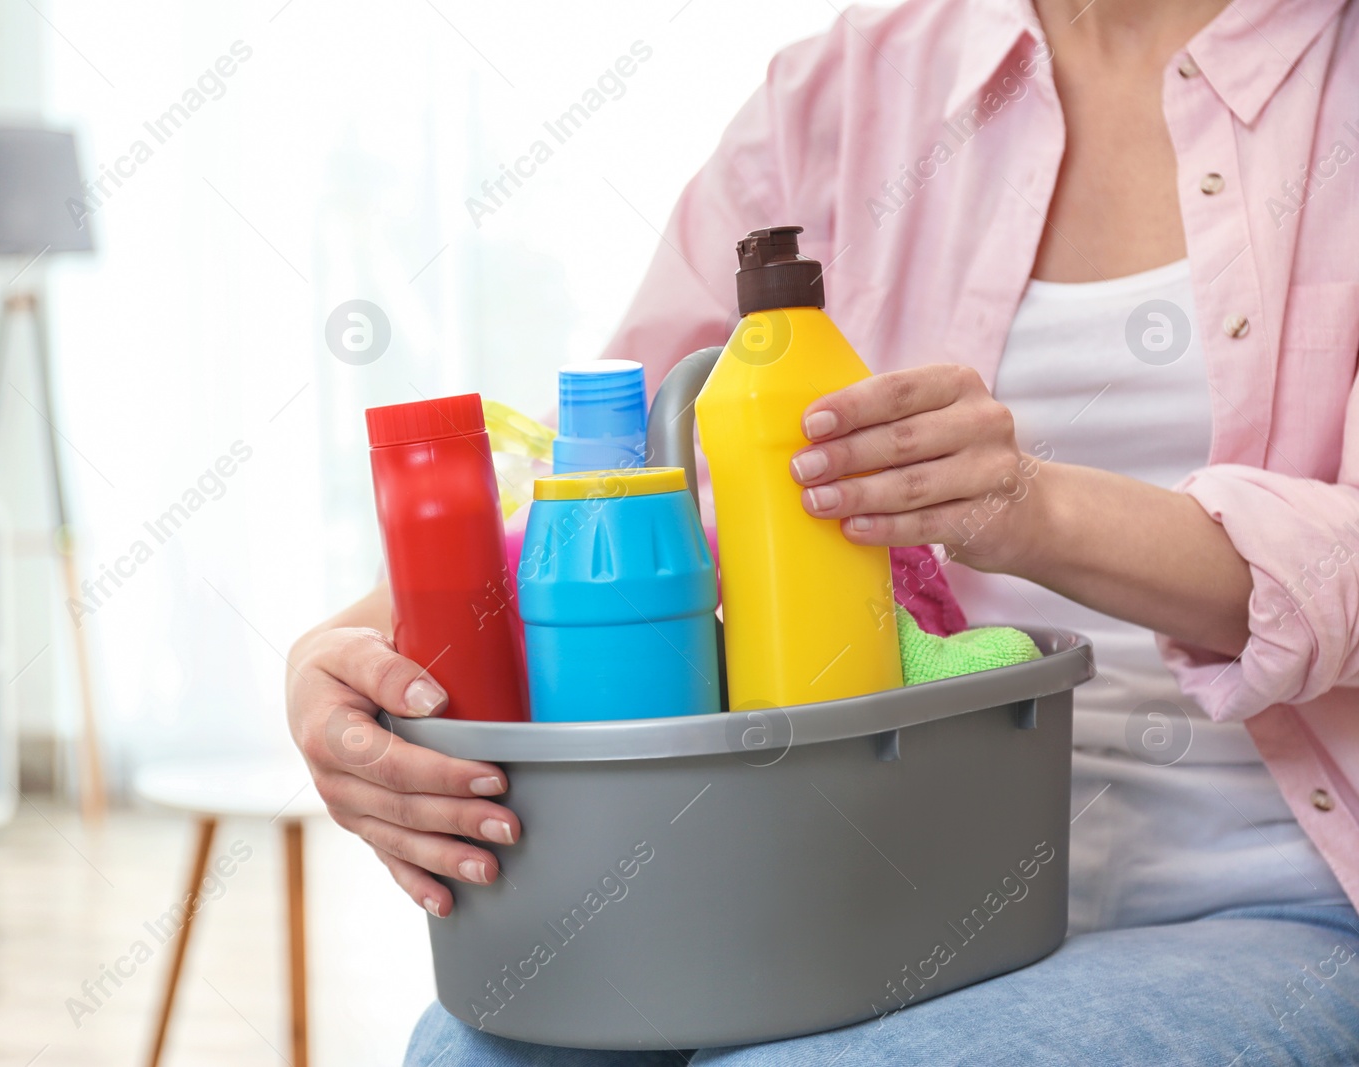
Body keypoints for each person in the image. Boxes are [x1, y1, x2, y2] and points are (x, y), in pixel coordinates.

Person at [287, 0, 1359, 1059]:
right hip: (852, 880)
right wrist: (351, 658)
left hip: (1266, 900)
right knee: (480, 1046)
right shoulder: (845, 88)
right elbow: (628, 471)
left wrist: (1033, 508)